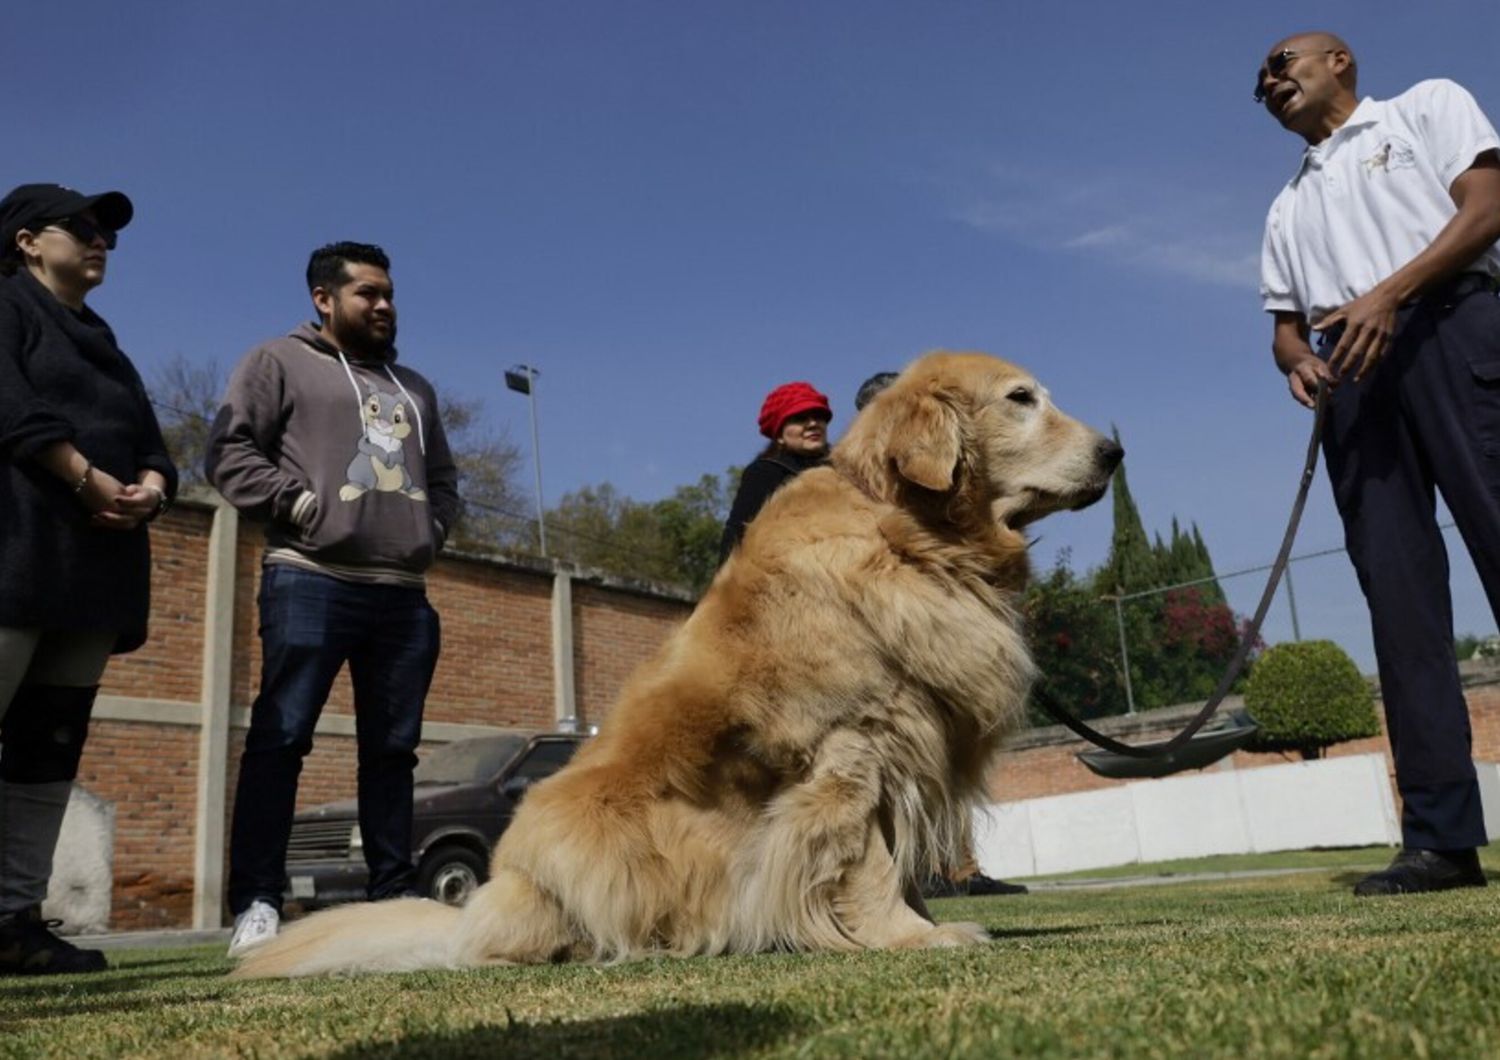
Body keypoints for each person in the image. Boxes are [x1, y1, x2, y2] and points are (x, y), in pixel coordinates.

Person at [1257, 32, 1500, 894]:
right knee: (1400, 609)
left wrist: (1388, 295)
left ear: (1341, 60)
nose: (1272, 80)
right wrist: (1294, 357)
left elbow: (1484, 212)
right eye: (1264, 82)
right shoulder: (1286, 205)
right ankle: (1440, 840)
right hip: (1353, 382)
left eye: (1284, 62)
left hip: (1450, 331)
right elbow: (1286, 323)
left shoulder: (1424, 107)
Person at [206, 242, 463, 954]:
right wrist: (296, 505)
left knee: (394, 752)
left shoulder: (415, 387)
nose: (383, 306)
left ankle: (391, 897)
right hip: (309, 578)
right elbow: (228, 453)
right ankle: (258, 901)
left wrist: (431, 529)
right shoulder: (276, 362)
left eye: (389, 295)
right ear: (324, 298)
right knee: (280, 739)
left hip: (403, 594)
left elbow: (443, 479)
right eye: (367, 294)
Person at [0, 183, 177, 974]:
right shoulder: (6, 308)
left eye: (109, 232)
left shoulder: (105, 338)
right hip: (16, 556)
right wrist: (82, 476)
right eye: (84, 228)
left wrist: (151, 485)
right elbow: (11, 409)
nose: (102, 240)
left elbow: (153, 443)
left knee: (48, 752)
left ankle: (13, 922)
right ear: (29, 240)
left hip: (92, 577)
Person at [854, 370, 1029, 898]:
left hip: (951, 629)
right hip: (892, 642)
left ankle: (959, 868)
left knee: (956, 754)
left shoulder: (954, 470)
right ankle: (919, 874)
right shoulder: (857, 481)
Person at [718, 381, 833, 563]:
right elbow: (736, 534)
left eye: (819, 416)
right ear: (779, 435)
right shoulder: (766, 472)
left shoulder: (846, 471)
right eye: (800, 418)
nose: (812, 424)